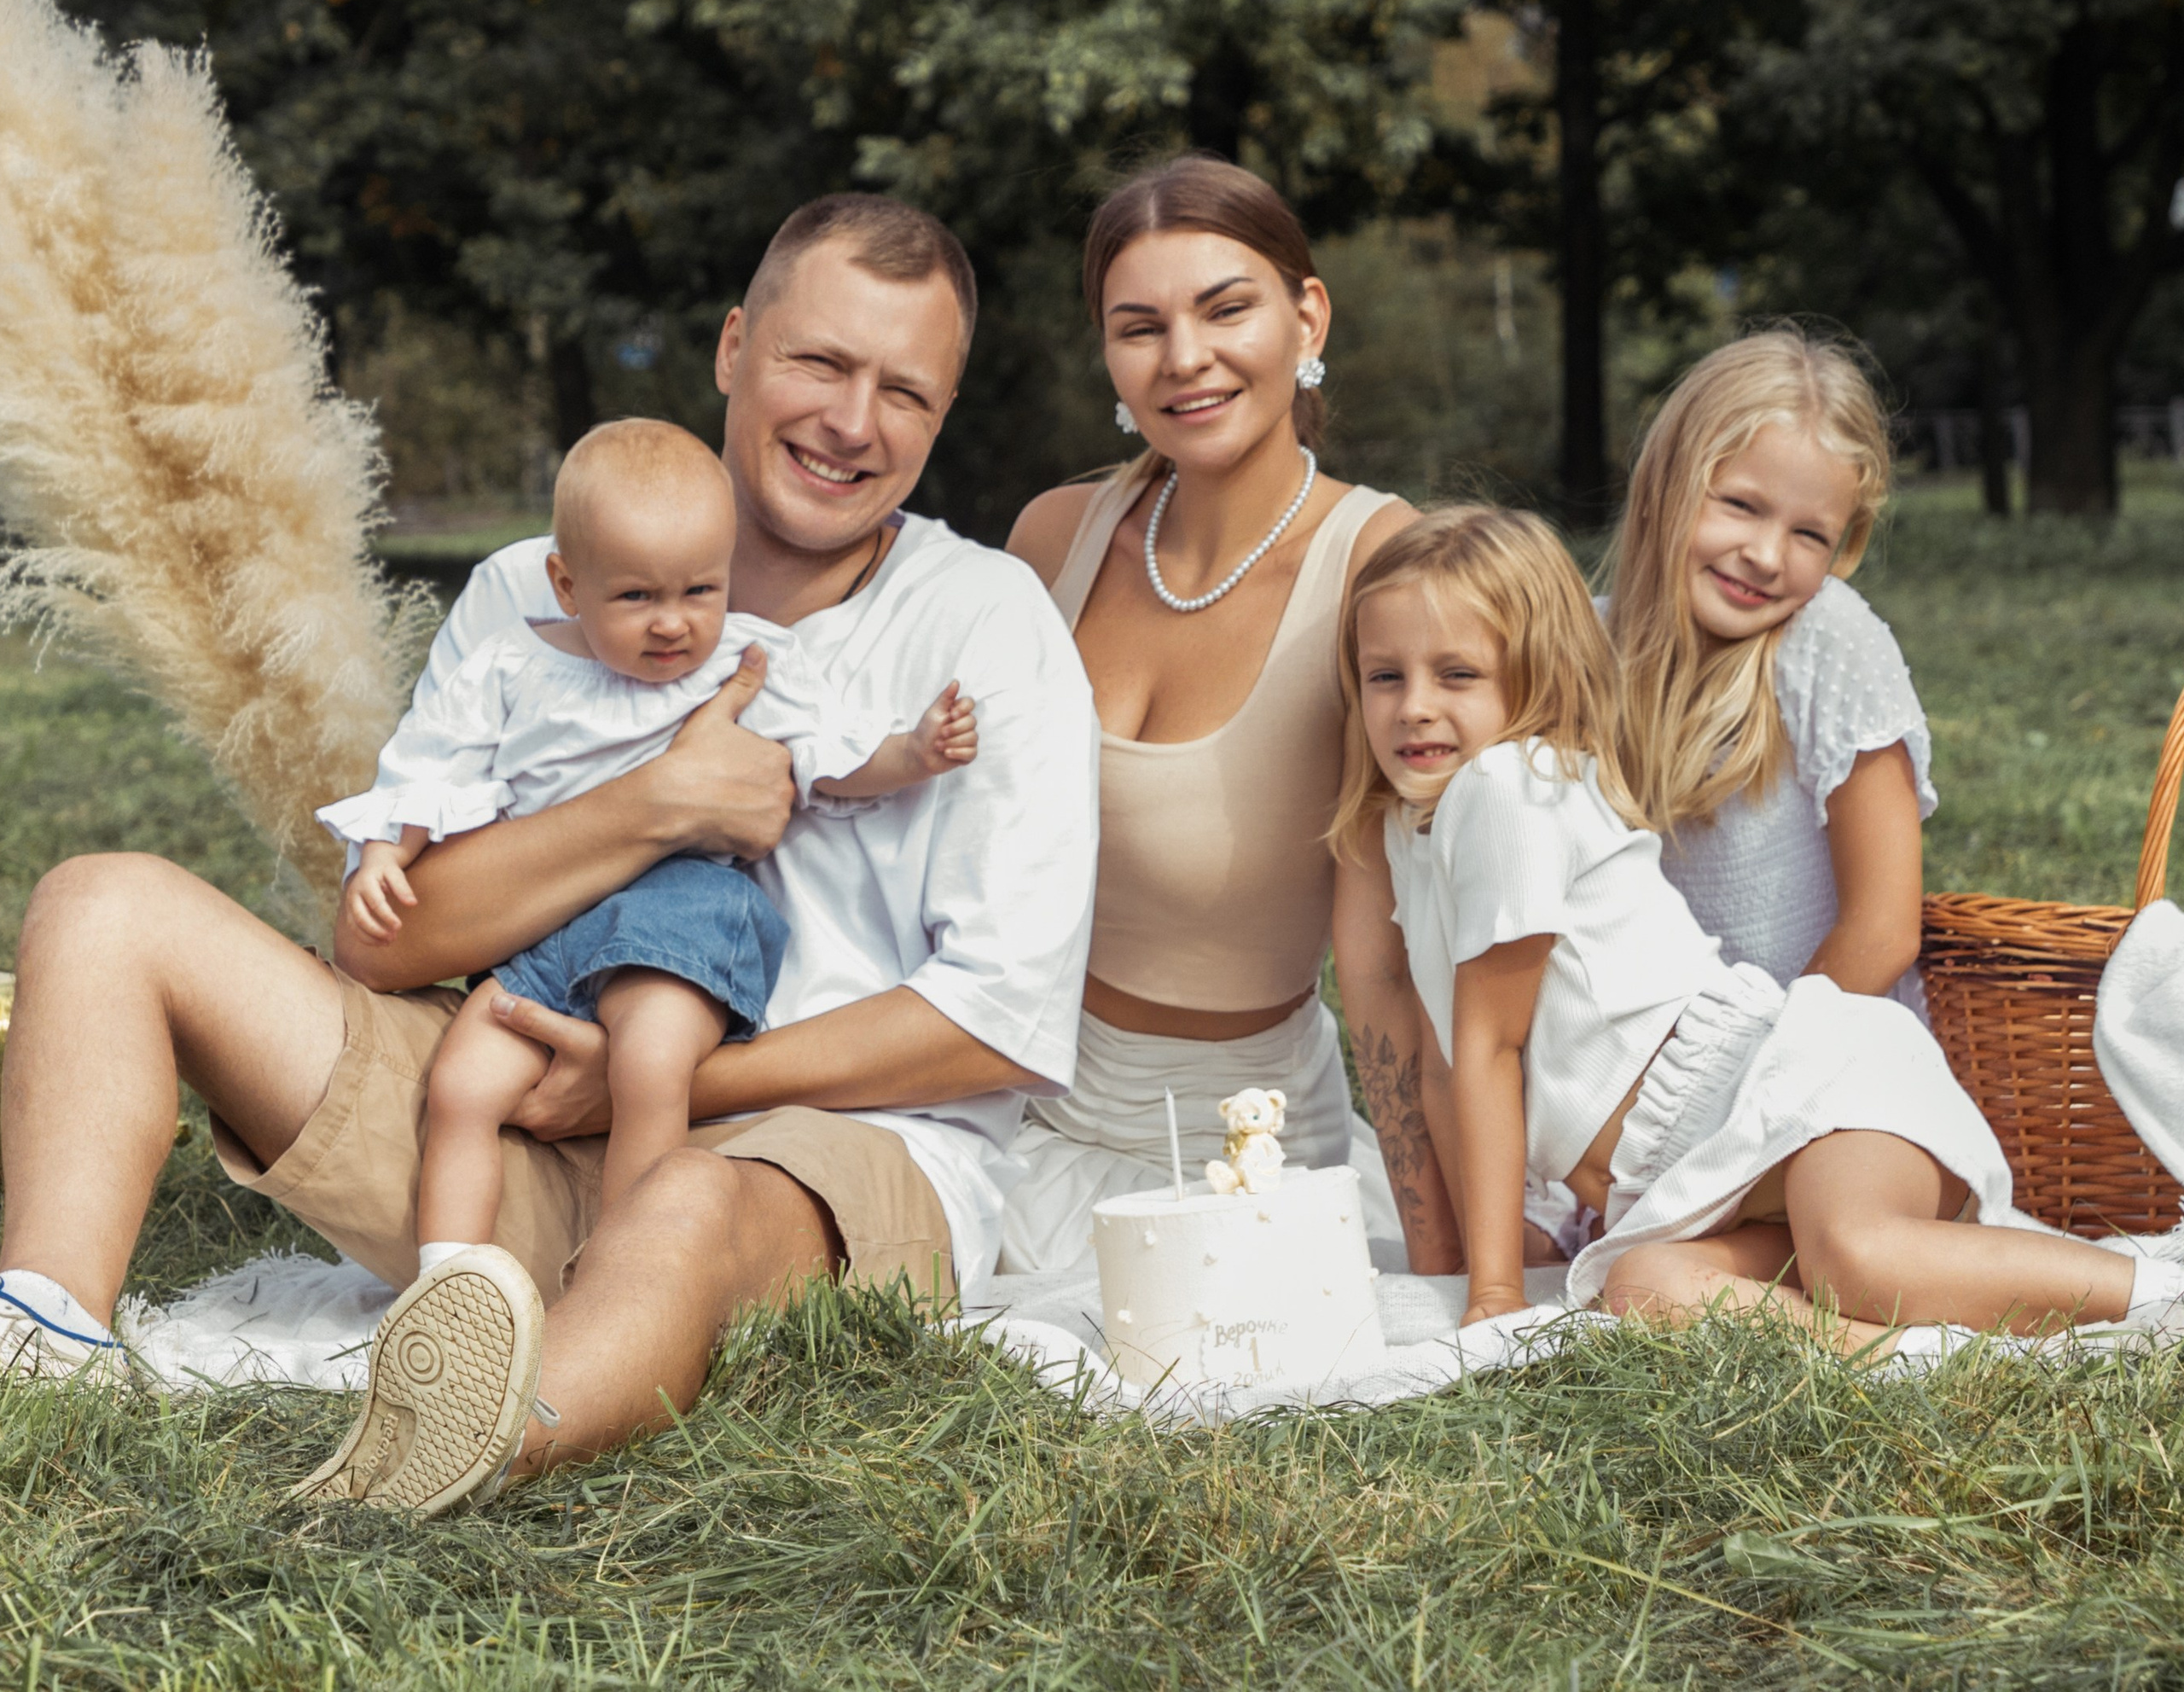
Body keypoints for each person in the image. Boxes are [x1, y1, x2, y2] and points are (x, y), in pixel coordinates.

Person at [0, 194, 1099, 1517]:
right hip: (513, 1090)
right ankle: (43, 1343)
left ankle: (448, 1447)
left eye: (904, 391)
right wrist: (658, 801)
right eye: (820, 362)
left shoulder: (985, 620)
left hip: (814, 1150)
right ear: (735, 347)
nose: (853, 422)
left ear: (945, 411)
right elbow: (386, 941)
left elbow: (1002, 1023)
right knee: (103, 906)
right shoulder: (539, 591)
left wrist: (671, 1084)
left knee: (685, 1202)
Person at [1335, 504, 2180, 1342]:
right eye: (1385, 676)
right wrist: (1463, 1269)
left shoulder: (1507, 788)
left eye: (1456, 675)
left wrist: (1491, 1294)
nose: (1413, 706)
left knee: (1855, 1253)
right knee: (1645, 1289)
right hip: (1715, 1185)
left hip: (1815, 1096)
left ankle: (2155, 1292)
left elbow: (1488, 1048)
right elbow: (1445, 1072)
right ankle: (1924, 1350)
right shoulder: (1413, 828)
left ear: (1537, 676)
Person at [321, 416, 978, 1269]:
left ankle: (622, 1271)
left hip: (685, 912)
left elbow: (826, 758)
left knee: (652, 1061)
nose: (673, 624)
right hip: (548, 923)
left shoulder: (742, 661)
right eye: (637, 597)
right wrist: (383, 852)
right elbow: (431, 772)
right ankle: (452, 1281)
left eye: (699, 591)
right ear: (566, 583)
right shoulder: (510, 668)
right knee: (461, 1082)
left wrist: (911, 753)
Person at [998, 151, 1446, 1275]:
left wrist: (1444, 1261)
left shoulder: (1380, 566)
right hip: (1017, 1112)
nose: (1185, 358)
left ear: (1307, 317)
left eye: (1226, 308)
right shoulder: (1053, 538)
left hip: (1239, 1153)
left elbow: (1381, 955)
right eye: (1139, 325)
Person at [1602, 330, 1934, 1017]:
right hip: (1630, 1063)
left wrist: (1757, 1075)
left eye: (1809, 535)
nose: (1765, 555)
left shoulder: (1826, 639)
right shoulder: (1581, 640)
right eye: (1741, 506)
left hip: (1812, 1055)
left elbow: (1884, 930)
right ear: (1664, 481)